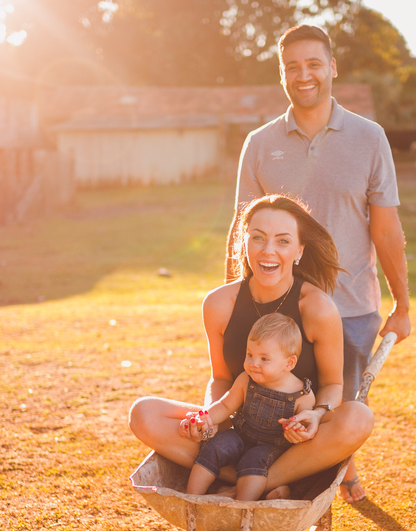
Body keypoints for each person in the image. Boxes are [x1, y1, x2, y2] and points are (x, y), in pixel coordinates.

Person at [230, 23, 411, 502]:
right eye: (292, 66)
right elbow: (242, 230)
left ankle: (325, 494)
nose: (303, 74)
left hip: (350, 308)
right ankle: (271, 487)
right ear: (282, 75)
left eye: (314, 64)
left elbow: (386, 229)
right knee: (266, 412)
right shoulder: (259, 142)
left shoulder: (369, 138)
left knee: (335, 413)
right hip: (277, 308)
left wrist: (403, 304)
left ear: (332, 68)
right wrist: (234, 299)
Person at [129, 194, 373, 500]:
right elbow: (220, 378)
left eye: (283, 241)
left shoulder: (317, 308)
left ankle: (245, 484)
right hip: (237, 429)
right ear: (244, 242)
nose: (268, 250)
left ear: (299, 250)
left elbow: (333, 384)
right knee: (144, 413)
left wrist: (315, 415)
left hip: (292, 441)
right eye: (258, 237)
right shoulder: (219, 304)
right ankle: (257, 481)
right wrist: (211, 420)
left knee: (359, 417)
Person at [182, 313, 316, 500]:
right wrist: (206, 417)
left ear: (289, 363)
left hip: (272, 450)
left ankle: (241, 506)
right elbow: (226, 405)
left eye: (264, 359)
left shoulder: (302, 394)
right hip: (241, 436)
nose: (253, 364)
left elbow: (304, 432)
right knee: (215, 445)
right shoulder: (246, 380)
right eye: (250, 354)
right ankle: (191, 499)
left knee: (254, 461)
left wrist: (297, 430)